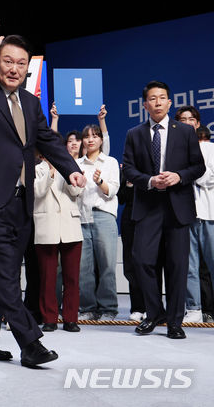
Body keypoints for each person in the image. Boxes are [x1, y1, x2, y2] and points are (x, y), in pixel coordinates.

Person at [0, 19, 84, 368]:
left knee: (3, 273)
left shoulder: (30, 101)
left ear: (28, 68)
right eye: (7, 61)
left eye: (21, 64)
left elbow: (47, 140)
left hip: (21, 201)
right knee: (7, 274)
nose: (14, 68)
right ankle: (31, 342)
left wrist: (72, 169)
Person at [122, 81, 205, 339]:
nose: (157, 102)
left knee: (177, 265)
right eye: (152, 99)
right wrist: (149, 180)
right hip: (147, 205)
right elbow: (129, 168)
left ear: (170, 103)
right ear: (145, 105)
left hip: (178, 205)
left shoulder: (185, 132)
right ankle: (154, 312)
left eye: (162, 98)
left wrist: (179, 176)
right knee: (142, 260)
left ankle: (174, 322)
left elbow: (198, 167)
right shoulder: (134, 134)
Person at [33, 150, 83, 332]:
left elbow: (77, 191)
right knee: (47, 277)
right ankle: (49, 318)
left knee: (72, 277)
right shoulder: (36, 169)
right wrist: (50, 172)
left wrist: (65, 172)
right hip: (46, 226)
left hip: (70, 224)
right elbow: (37, 192)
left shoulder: (71, 168)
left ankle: (71, 318)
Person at [173, 106, 214, 324]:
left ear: (197, 124)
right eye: (183, 120)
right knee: (189, 265)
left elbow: (209, 178)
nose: (188, 123)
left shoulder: (210, 149)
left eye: (191, 119)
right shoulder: (174, 151)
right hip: (185, 214)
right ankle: (194, 308)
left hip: (209, 213)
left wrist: (186, 175)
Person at [76, 124, 120, 320]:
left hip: (103, 215)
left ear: (102, 140)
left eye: (95, 136)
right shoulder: (77, 164)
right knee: (83, 267)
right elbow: (73, 192)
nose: (90, 140)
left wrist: (99, 181)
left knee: (107, 265)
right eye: (86, 137)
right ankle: (87, 308)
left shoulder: (110, 162)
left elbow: (112, 190)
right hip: (81, 216)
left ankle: (108, 308)